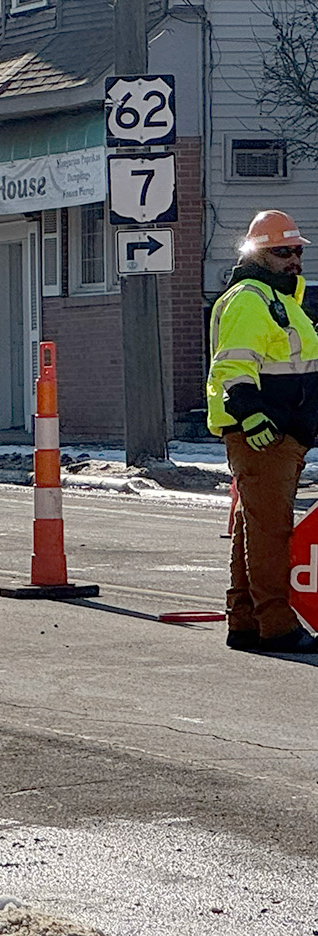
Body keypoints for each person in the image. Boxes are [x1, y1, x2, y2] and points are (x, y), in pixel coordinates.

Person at [206, 210, 318, 653]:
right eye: (283, 252)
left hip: (280, 432)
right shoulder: (251, 300)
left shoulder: (280, 301)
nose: (294, 260)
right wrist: (252, 415)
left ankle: (246, 622)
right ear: (258, 254)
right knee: (270, 532)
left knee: (252, 529)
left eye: (297, 251)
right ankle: (276, 626)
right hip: (265, 434)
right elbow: (233, 365)